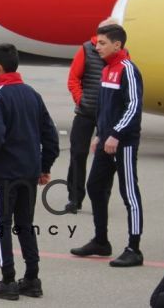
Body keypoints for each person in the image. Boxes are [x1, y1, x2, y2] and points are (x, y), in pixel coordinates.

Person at [0, 43, 59, 301]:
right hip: (29, 171)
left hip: (4, 173)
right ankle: (32, 278)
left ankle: (8, 279)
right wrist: (45, 167)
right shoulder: (32, 94)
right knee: (25, 225)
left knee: (1, 225)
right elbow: (50, 135)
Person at [71, 24, 145, 267]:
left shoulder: (128, 70)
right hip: (105, 141)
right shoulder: (107, 70)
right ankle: (101, 241)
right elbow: (104, 108)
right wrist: (99, 135)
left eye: (102, 43)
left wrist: (114, 134)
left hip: (122, 143)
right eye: (97, 43)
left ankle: (134, 248)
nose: (97, 46)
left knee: (129, 194)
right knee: (94, 186)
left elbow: (133, 106)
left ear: (117, 45)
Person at [64, 18, 116, 214]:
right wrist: (81, 100)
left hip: (108, 115)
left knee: (106, 157)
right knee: (78, 154)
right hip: (86, 111)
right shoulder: (86, 49)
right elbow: (73, 78)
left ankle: (102, 198)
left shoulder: (122, 54)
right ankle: (74, 198)